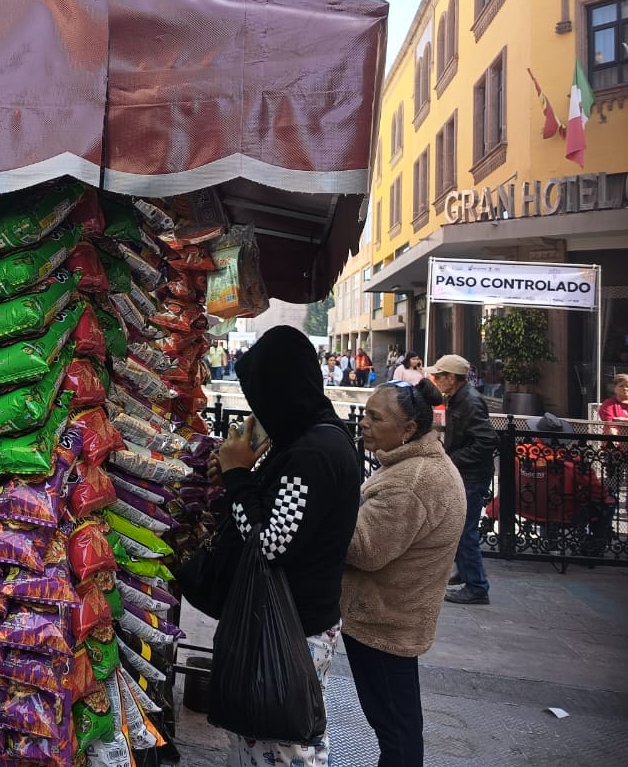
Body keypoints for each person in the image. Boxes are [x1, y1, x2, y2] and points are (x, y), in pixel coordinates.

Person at [183, 325, 363, 767]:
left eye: (261, 393)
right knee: (261, 742)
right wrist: (237, 473)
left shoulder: (315, 453)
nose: (257, 407)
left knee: (281, 746)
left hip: (290, 626)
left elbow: (269, 545)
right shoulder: (304, 439)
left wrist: (239, 476)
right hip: (286, 619)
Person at [342, 377, 465, 766]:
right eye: (365, 413)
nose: (364, 423)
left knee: (396, 730)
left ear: (408, 429)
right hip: (392, 615)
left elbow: (364, 549)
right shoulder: (413, 466)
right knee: (397, 726)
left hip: (384, 621)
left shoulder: (411, 481)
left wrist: (327, 508)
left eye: (376, 418)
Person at [427, 354, 497, 605]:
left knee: (465, 529)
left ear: (451, 378)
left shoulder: (470, 401)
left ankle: (477, 586)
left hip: (472, 476)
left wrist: (455, 458)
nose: (435, 380)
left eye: (439, 376)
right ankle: (465, 573)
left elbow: (486, 441)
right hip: (465, 473)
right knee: (457, 526)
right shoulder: (458, 398)